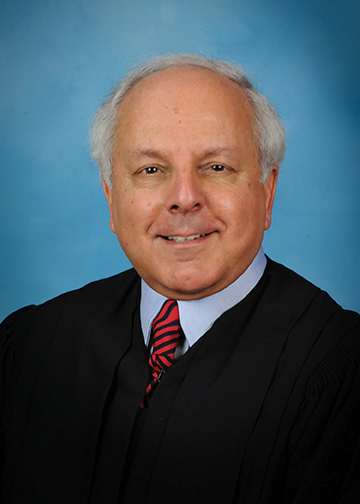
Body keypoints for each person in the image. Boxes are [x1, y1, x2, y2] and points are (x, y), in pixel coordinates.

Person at [1, 54, 359, 504]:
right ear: (111, 198)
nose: (185, 199)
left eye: (217, 167)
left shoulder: (339, 371)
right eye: (150, 170)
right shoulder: (37, 346)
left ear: (267, 192)